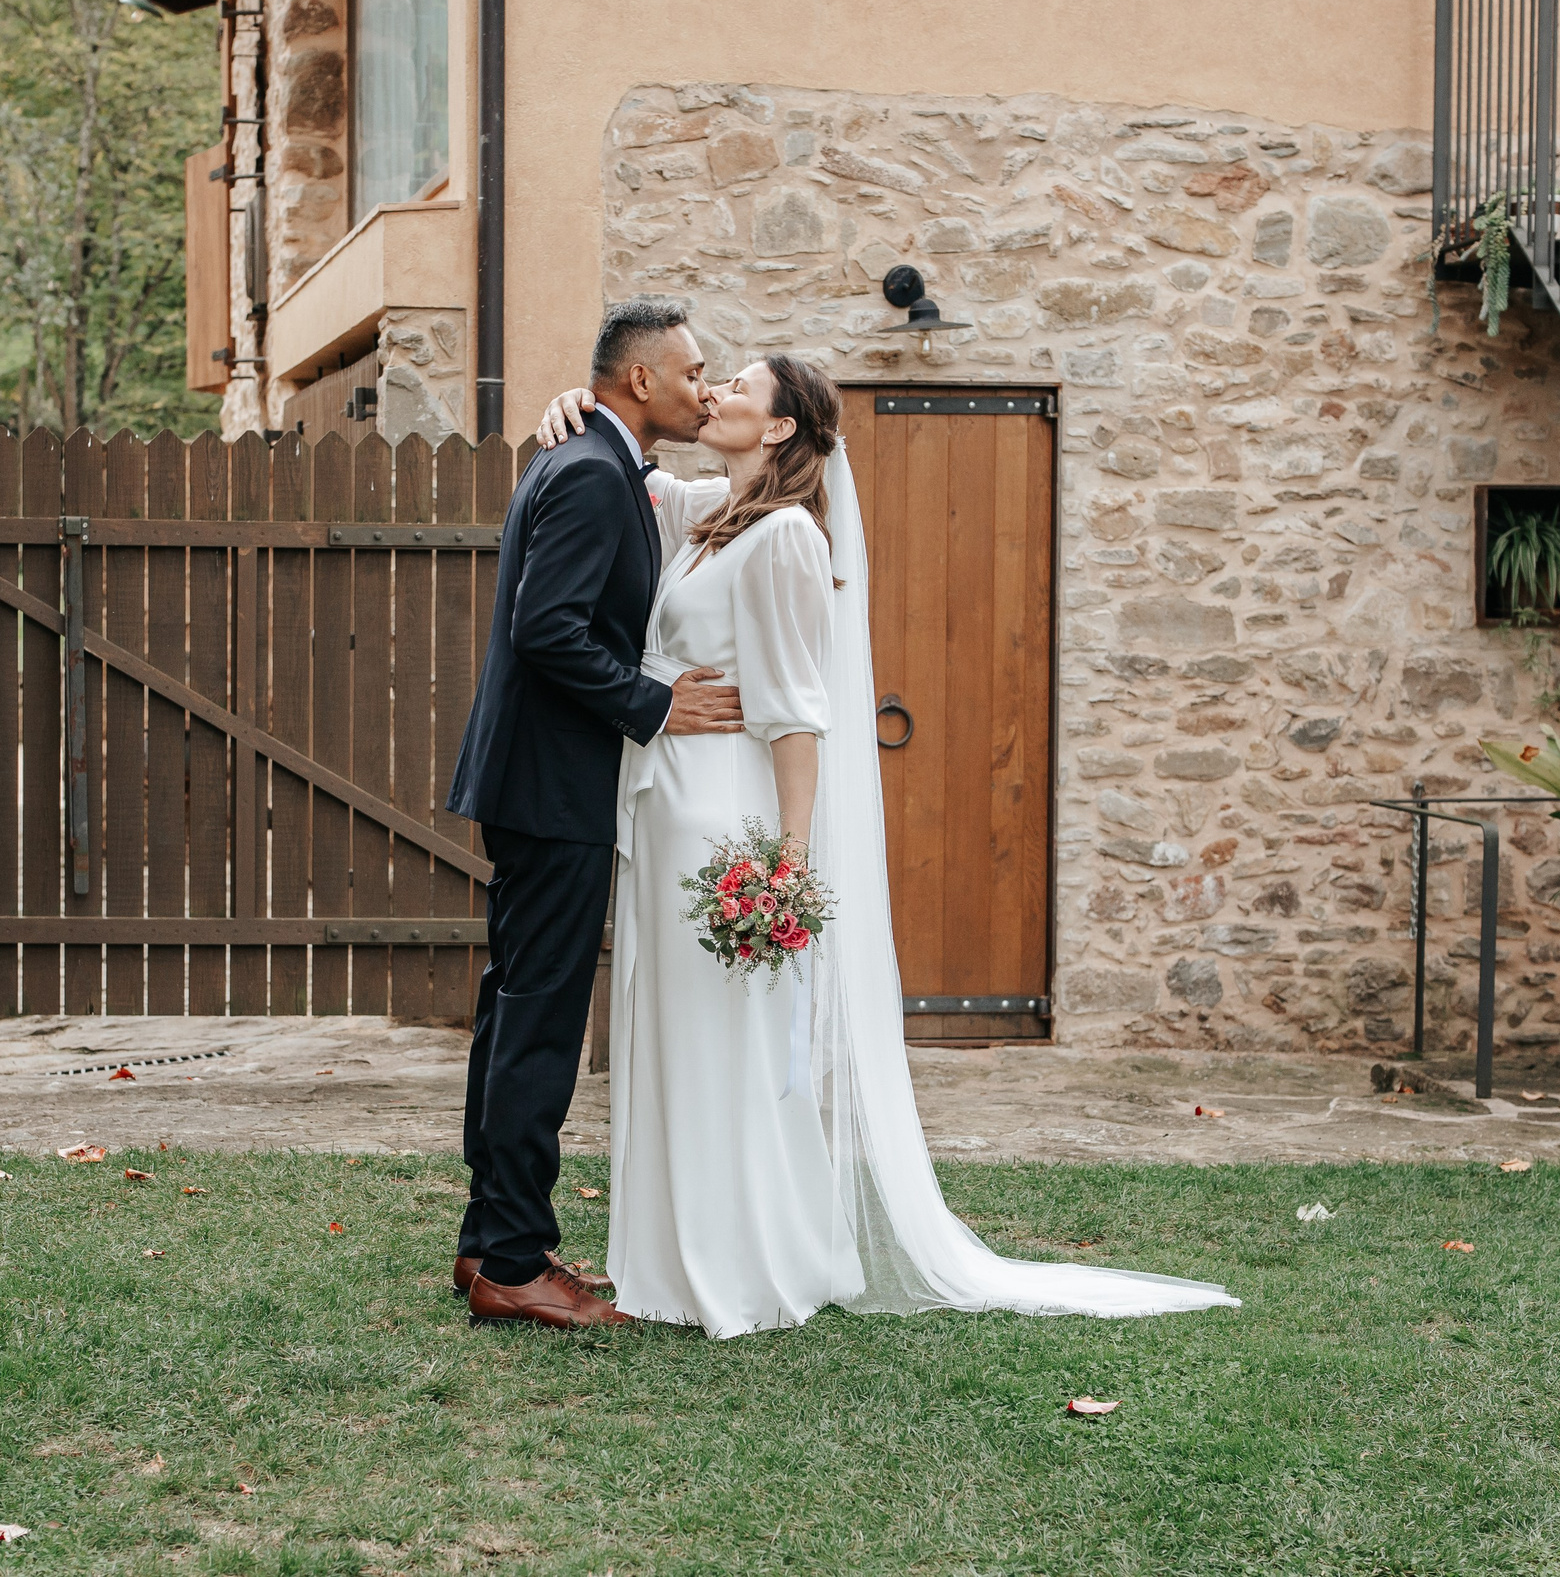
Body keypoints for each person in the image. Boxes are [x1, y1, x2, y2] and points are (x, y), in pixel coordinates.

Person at [538, 357, 1239, 1338]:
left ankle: (743, 1268)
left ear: (780, 429)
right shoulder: (709, 519)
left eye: (738, 386)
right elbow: (623, 466)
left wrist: (786, 861)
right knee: (676, 1043)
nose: (715, 396)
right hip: (665, 815)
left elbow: (795, 714)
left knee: (725, 1049)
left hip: (722, 830)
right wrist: (571, 401)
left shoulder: (784, 538)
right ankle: (671, 1258)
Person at [443, 299, 745, 1331]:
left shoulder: (603, 462)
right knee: (539, 1023)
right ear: (641, 380)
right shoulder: (585, 473)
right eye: (695, 370)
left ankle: (492, 1238)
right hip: (551, 785)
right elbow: (547, 631)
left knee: (516, 1010)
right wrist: (656, 705)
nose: (707, 386)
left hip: (539, 782)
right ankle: (516, 1262)